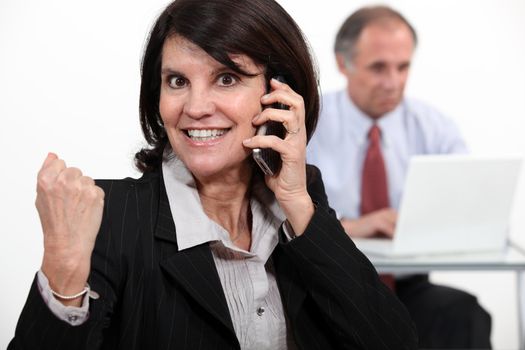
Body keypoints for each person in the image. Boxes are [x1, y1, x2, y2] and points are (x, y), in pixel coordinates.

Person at [9, 1, 418, 349]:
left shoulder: (300, 203)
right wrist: (62, 268)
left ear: (278, 94)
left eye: (227, 78)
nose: (197, 106)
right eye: (177, 81)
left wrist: (297, 203)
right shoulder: (111, 214)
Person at [307, 5, 491, 349]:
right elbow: (275, 217)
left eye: (403, 67)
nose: (392, 82)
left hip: (405, 285)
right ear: (343, 64)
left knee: (464, 314)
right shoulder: (308, 124)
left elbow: (468, 214)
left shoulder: (436, 128)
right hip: (329, 283)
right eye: (378, 68)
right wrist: (351, 226)